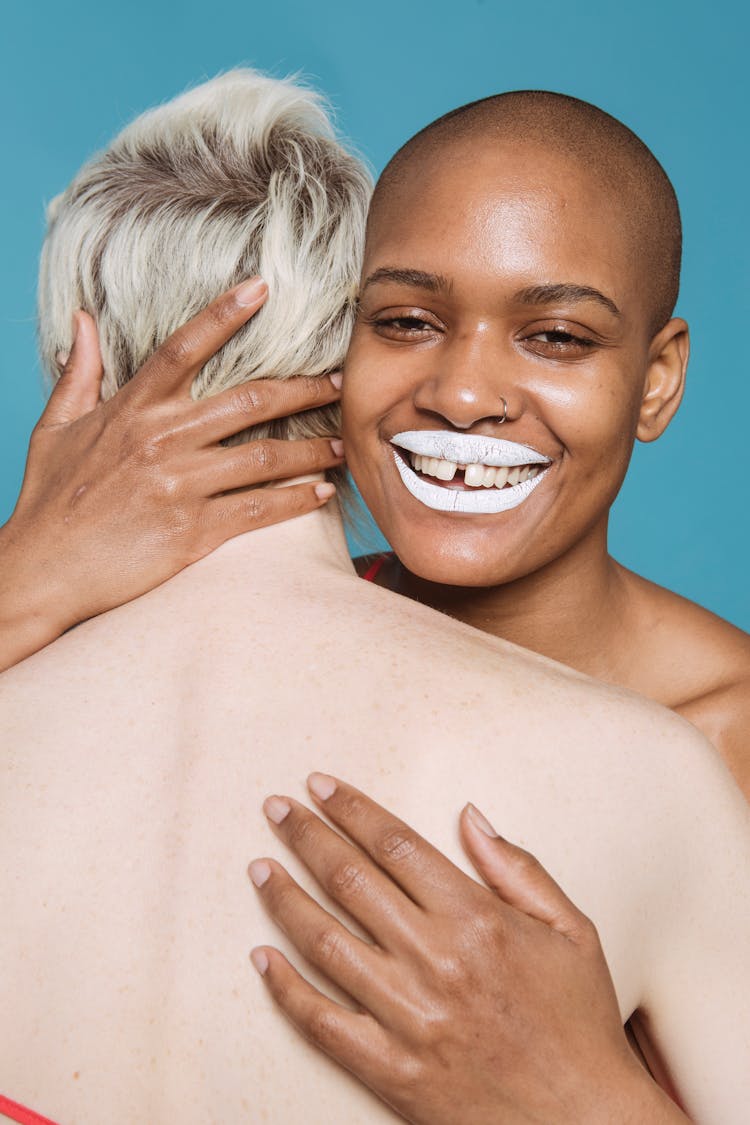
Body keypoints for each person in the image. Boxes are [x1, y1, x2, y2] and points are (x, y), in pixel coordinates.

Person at [1, 68, 749, 1125]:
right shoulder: (90, 651)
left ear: (658, 380)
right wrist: (21, 575)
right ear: (325, 349)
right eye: (403, 321)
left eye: (557, 337)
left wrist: (582, 1100)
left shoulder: (712, 750)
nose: (462, 395)